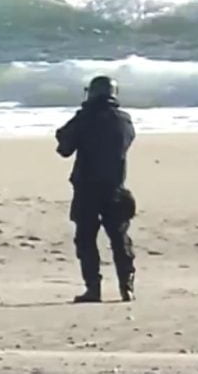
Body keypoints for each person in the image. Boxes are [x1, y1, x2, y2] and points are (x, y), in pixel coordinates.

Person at [56, 76, 137, 303]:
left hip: (86, 189)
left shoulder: (84, 119)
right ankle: (126, 286)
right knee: (120, 238)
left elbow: (64, 148)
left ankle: (93, 288)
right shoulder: (123, 120)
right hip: (115, 188)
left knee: (86, 239)